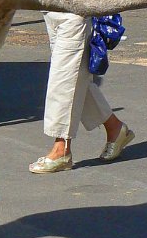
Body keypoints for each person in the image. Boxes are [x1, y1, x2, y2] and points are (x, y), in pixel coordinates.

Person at [29, 12, 134, 174]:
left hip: (74, 11)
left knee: (65, 78)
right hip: (51, 10)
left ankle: (61, 149)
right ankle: (115, 127)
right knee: (76, 77)